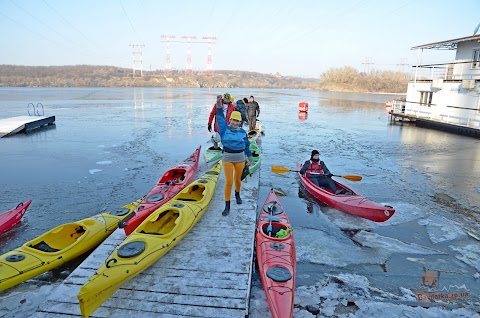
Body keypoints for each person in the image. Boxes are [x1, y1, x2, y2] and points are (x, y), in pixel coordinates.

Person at [216, 97, 253, 216]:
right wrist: (218, 103)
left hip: (240, 159)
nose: (235, 123)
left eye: (237, 121)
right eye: (233, 120)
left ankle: (237, 194)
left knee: (237, 179)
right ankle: (227, 205)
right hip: (227, 158)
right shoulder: (224, 129)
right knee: (229, 182)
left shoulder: (242, 132)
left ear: (240, 122)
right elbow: (220, 116)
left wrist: (250, 158)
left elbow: (247, 145)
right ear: (230, 120)